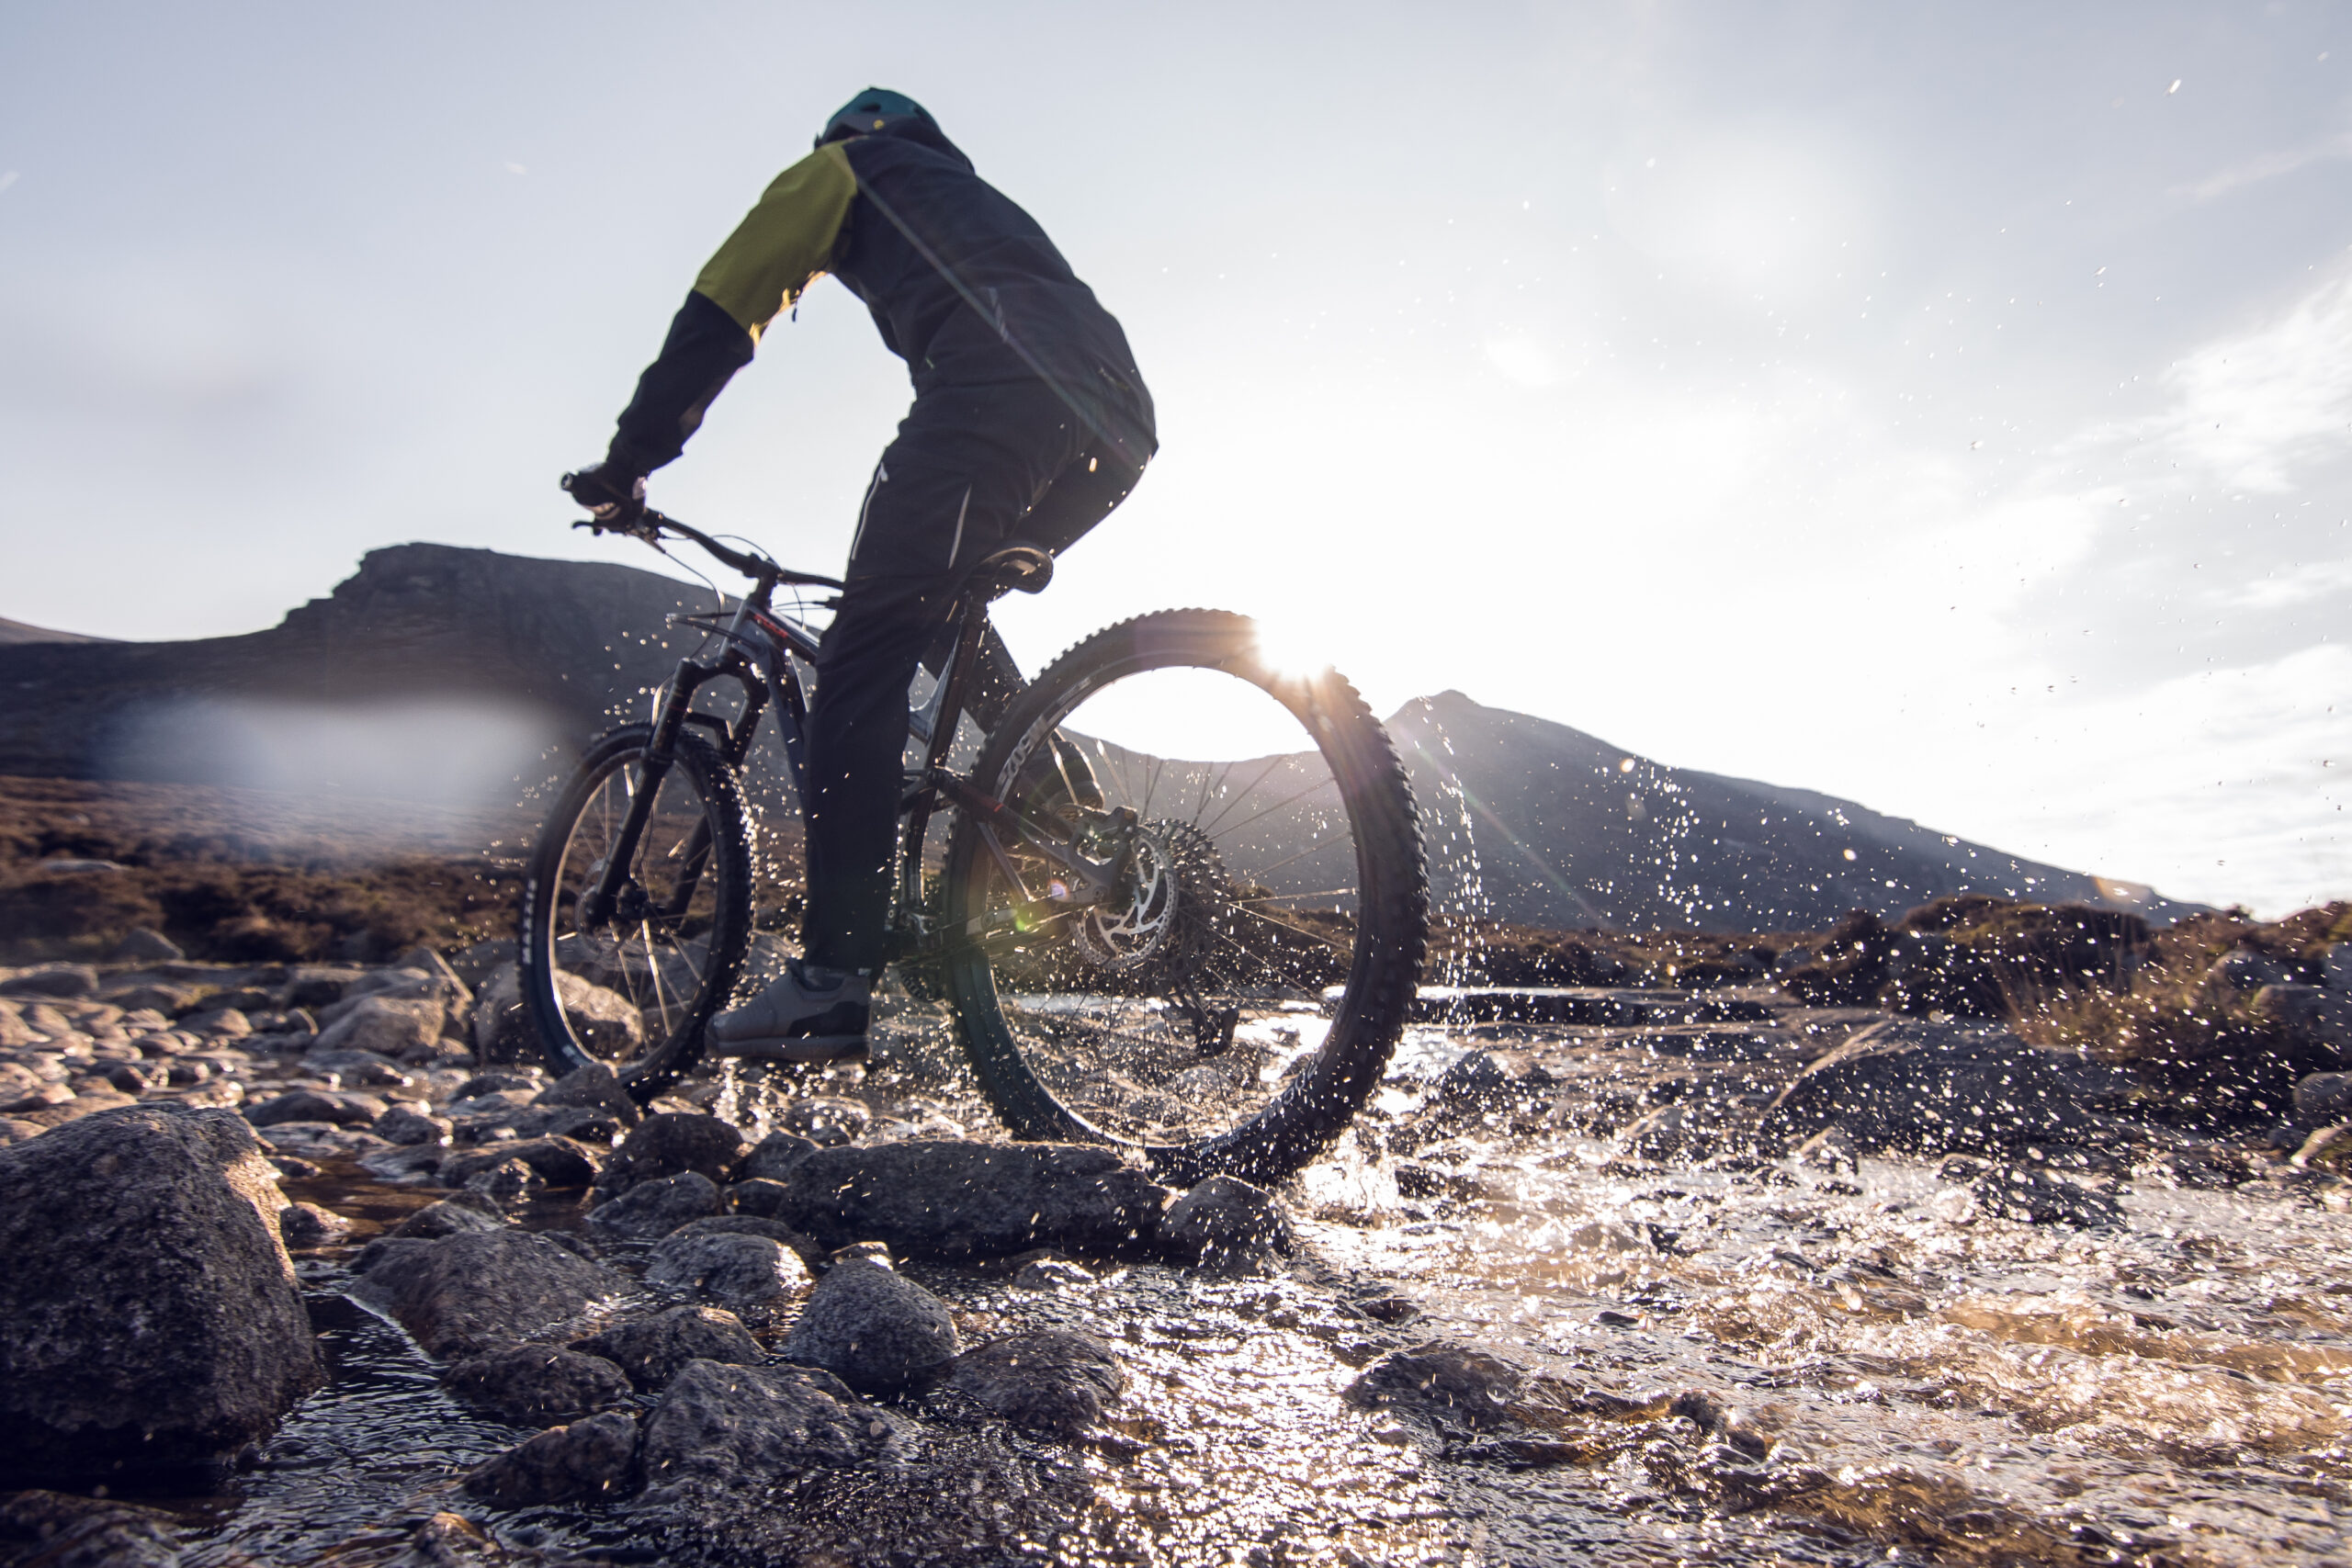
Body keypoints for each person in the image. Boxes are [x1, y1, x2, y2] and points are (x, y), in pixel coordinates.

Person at [565, 89, 1155, 1064]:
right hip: (1118, 424)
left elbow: (721, 315)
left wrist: (629, 463)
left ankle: (832, 978)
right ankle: (1060, 817)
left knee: (859, 656)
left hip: (1000, 391)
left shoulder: (839, 171)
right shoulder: (966, 201)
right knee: (935, 609)